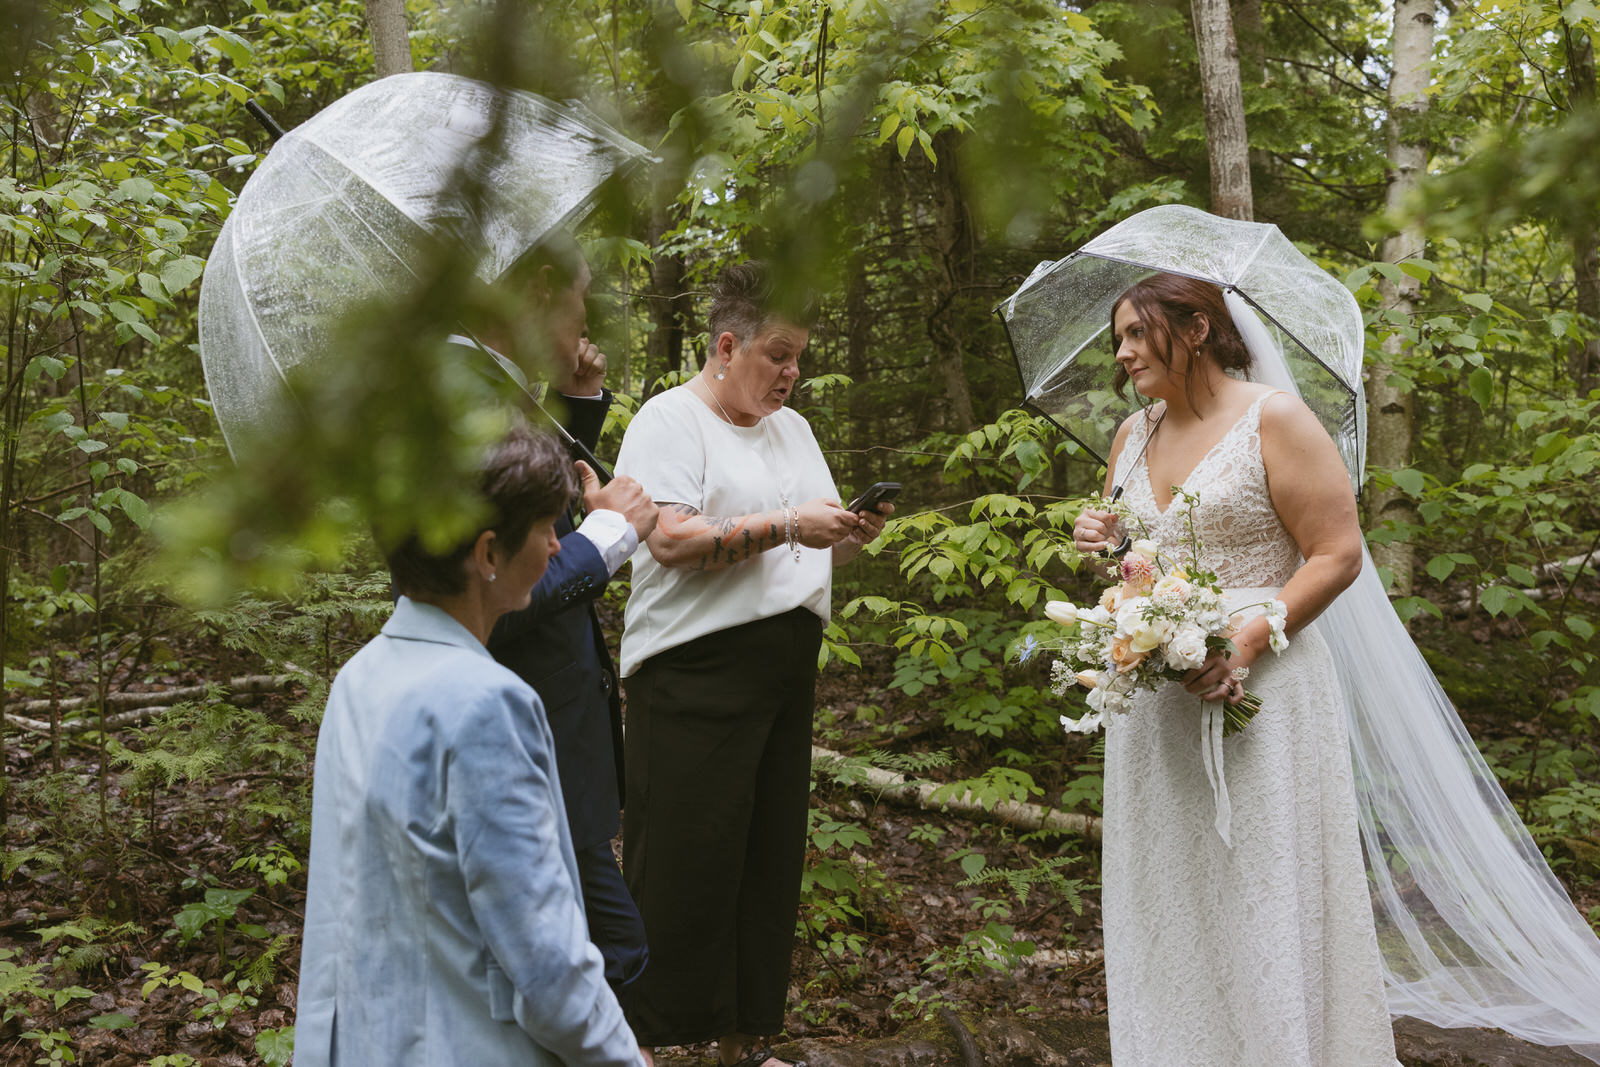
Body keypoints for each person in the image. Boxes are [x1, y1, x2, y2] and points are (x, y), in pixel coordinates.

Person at [1072, 274, 1400, 1065]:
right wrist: (1108, 547)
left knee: (1260, 884)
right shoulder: (1130, 435)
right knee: (1169, 893)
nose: (1120, 353)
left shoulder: (1273, 419)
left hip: (1269, 687)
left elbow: (1339, 552)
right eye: (1117, 339)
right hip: (1158, 703)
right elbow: (1138, 567)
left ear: (1193, 329)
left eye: (1133, 334)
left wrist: (1246, 642)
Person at [612, 261, 891, 1067]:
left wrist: (849, 528)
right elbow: (667, 538)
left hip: (782, 670)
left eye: (799, 357)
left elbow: (814, 528)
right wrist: (785, 524)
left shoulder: (792, 431)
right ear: (726, 346)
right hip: (693, 671)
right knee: (680, 863)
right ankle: (646, 1045)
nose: (792, 373)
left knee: (766, 859)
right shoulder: (669, 421)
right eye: (778, 354)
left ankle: (744, 1042)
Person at [295, 425, 645, 1067]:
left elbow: (340, 918)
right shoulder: (488, 704)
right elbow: (545, 956)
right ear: (489, 553)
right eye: (548, 529)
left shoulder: (359, 677)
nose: (556, 545)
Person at [457, 234, 661, 1022]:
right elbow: (492, 587)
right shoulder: (464, 394)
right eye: (579, 295)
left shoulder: (499, 389)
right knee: (605, 956)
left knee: (605, 952)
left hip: (557, 735)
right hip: (522, 735)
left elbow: (540, 505)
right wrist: (611, 540)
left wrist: (576, 406)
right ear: (541, 287)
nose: (583, 317)